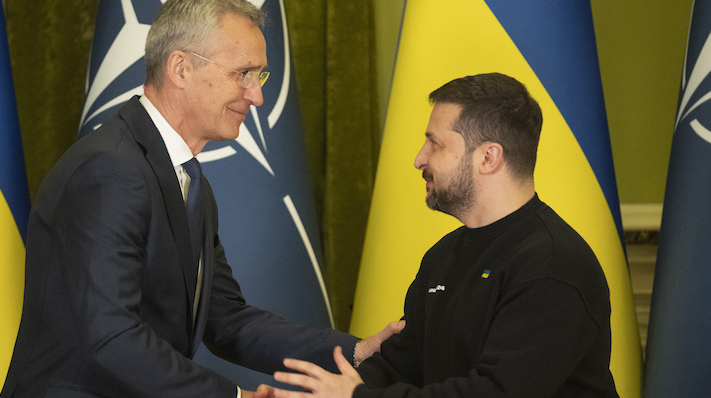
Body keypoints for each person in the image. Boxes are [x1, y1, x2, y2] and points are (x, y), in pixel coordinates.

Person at [0, 1, 401, 397]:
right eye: (242, 73)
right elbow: (112, 336)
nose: (256, 97)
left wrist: (353, 352)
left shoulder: (190, 182)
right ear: (180, 68)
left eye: (259, 77)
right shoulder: (111, 170)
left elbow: (226, 320)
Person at [258, 73, 619, 397]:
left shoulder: (554, 266)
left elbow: (495, 392)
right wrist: (316, 394)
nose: (419, 159)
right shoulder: (443, 255)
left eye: (435, 143)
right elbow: (401, 364)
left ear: (488, 157)